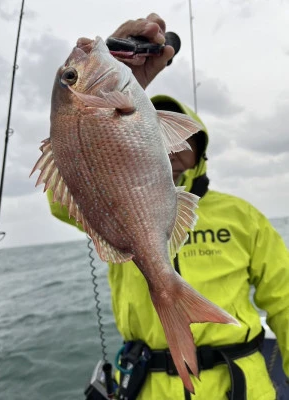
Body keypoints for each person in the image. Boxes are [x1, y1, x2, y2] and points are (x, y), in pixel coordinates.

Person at [47, 13, 289, 400]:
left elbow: (285, 296)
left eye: (182, 147)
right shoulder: (113, 146)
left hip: (242, 384)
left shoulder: (243, 215)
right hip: (151, 386)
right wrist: (121, 83)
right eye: (163, 144)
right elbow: (67, 201)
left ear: (199, 150)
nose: (173, 154)